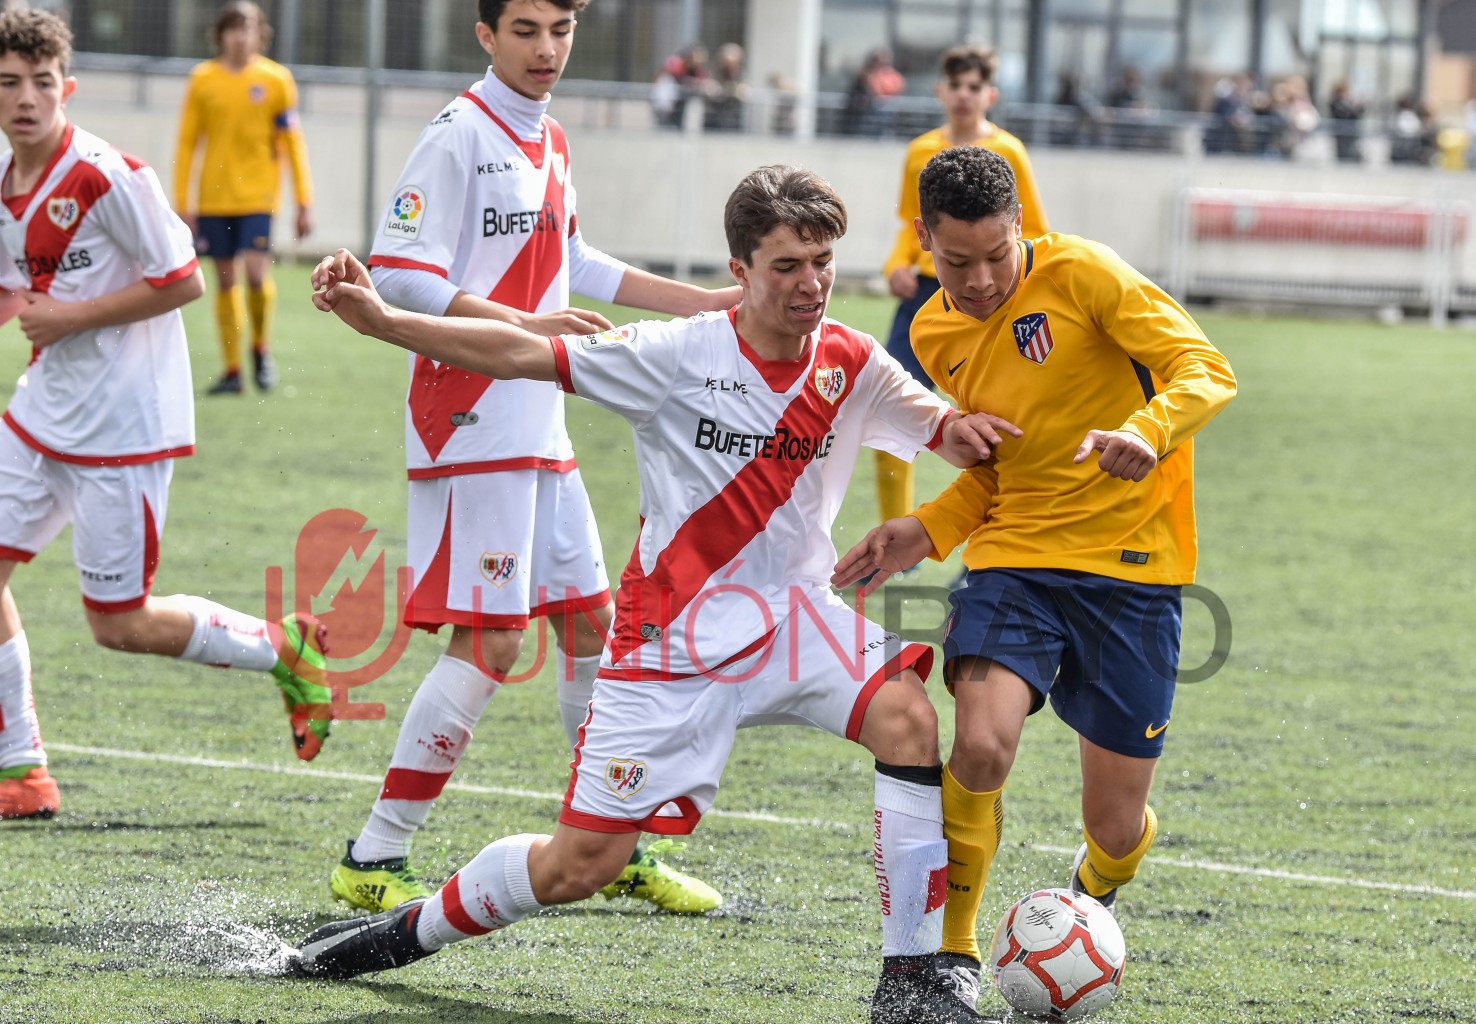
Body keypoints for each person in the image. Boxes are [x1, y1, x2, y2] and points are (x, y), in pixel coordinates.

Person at [298, 165, 1018, 1024]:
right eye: (785, 265)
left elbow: (937, 423)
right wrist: (384, 322)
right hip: (670, 642)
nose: (809, 283)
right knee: (577, 868)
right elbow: (524, 353)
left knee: (907, 717)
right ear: (740, 270)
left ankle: (910, 986)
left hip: (792, 617)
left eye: (822, 261)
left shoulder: (851, 361)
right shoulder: (676, 352)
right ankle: (398, 935)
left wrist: (966, 432)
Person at [326, 0, 739, 919]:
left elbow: (575, 261)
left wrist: (703, 303)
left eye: (560, 29)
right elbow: (398, 275)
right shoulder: (457, 135)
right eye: (525, 29)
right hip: (471, 415)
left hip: (537, 419)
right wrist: (526, 324)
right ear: (485, 35)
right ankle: (374, 853)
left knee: (595, 628)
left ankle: (613, 840)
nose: (546, 48)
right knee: (493, 639)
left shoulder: (544, 135)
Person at [834, 146, 1236, 1009]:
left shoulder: (1086, 274)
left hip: (1134, 575)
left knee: (1115, 825)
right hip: (1014, 563)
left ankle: (1097, 886)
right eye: (955, 261)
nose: (978, 279)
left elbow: (1207, 368)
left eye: (995, 255)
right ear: (923, 240)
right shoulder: (935, 335)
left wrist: (1149, 430)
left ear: (1022, 228)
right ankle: (953, 956)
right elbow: (996, 469)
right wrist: (927, 527)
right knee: (979, 742)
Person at [0, 9, 332, 820]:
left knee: (119, 624)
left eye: (42, 83)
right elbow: (17, 290)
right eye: (9, 83)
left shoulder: (107, 176)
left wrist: (70, 318)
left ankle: (283, 649)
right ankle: (23, 768)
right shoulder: (5, 184)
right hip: (44, 411)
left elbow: (182, 278)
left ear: (66, 88)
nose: (26, 99)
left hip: (124, 426)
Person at [875, 45, 1047, 543]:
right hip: (927, 298)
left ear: (989, 94)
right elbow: (909, 230)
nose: (965, 95)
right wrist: (896, 265)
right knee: (893, 411)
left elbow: (1031, 230)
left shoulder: (1009, 151)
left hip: (998, 301)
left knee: (1002, 428)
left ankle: (1004, 528)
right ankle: (896, 526)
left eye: (975, 86)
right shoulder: (918, 151)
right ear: (941, 91)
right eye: (957, 85)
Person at [174, 0, 313, 395]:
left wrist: (305, 200)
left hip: (257, 196)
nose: (241, 35)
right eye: (233, 28)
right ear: (220, 35)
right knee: (225, 283)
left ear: (260, 34)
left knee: (255, 274)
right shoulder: (202, 79)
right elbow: (187, 143)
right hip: (214, 200)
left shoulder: (276, 79)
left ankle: (260, 349)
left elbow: (293, 142)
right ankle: (233, 372)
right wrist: (183, 201)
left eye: (248, 27)